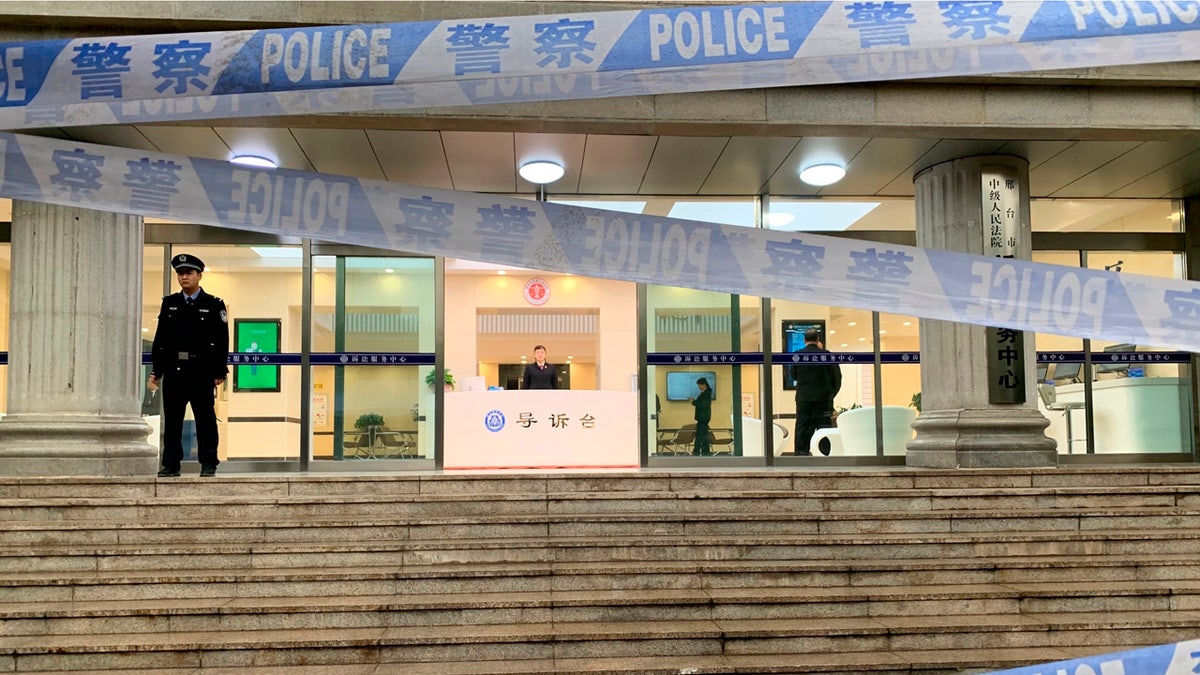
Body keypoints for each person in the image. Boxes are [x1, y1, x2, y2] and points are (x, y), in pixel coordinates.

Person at [149, 253, 229, 477]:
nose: (184, 277)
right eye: (180, 273)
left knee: (205, 419)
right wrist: (157, 370)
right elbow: (161, 339)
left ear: (199, 276)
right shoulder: (170, 304)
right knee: (173, 420)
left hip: (201, 371)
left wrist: (219, 370)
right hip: (174, 370)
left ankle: (208, 462)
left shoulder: (213, 304)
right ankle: (171, 464)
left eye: (189, 273)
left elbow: (222, 340)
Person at [791, 328, 842, 456]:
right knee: (824, 429)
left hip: (804, 399)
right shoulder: (827, 355)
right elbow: (837, 378)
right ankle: (824, 455)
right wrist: (830, 394)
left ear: (804, 340)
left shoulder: (798, 355)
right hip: (823, 400)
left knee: (802, 428)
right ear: (818, 339)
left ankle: (800, 455)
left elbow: (793, 375)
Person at [689, 377, 713, 456]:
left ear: (704, 384)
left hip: (703, 417)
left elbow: (703, 405)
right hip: (703, 417)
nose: (698, 387)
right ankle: (704, 451)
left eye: (699, 385)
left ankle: (697, 451)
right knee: (703, 435)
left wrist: (693, 402)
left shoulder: (706, 394)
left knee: (700, 435)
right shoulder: (705, 393)